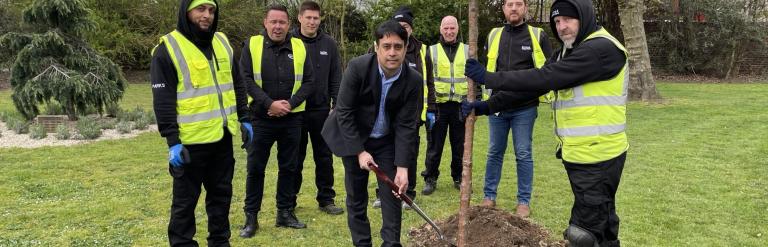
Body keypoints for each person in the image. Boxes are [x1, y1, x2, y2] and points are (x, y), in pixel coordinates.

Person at [464, 0, 628, 245]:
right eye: (557, 22)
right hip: (582, 155)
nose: (562, 27)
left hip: (598, 157)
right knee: (602, 224)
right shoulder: (568, 50)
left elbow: (544, 76)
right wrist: (489, 106)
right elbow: (537, 87)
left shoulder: (600, 49)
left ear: (585, 17)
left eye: (568, 20)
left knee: (584, 233)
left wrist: (490, 78)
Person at [150, 0, 250, 245]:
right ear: (186, 12)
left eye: (211, 10)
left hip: (222, 137)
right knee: (185, 204)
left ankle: (219, 241)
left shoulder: (222, 42)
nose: (207, 15)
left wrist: (245, 117)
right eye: (200, 10)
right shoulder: (168, 48)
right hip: (188, 144)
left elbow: (237, 83)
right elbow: (163, 101)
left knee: (221, 198)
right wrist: (172, 141)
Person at [321, 20, 421, 247]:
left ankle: (391, 243)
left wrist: (403, 168)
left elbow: (406, 125)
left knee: (393, 195)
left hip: (386, 141)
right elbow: (344, 112)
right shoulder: (357, 68)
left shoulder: (413, 80)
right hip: (354, 137)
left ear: (406, 48)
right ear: (376, 47)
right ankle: (362, 243)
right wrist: (359, 152)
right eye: (386, 46)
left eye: (398, 46)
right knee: (356, 197)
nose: (392, 53)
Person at [237, 4, 315, 238]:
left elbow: (310, 81)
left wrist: (289, 104)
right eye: (274, 22)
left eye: (282, 22)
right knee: (255, 169)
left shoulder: (299, 46)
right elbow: (245, 79)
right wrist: (269, 104)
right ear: (265, 23)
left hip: (292, 119)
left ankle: (284, 213)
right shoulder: (252, 45)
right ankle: (251, 217)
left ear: (289, 25)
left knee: (289, 167)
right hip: (261, 119)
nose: (278, 26)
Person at [476, 0, 553, 218]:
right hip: (498, 108)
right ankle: (489, 197)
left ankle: (523, 202)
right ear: (503, 8)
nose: (514, 8)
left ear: (525, 8)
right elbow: (488, 70)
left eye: (518, 4)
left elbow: (547, 73)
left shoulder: (538, 36)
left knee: (523, 153)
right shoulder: (493, 35)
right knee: (494, 152)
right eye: (509, 4)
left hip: (524, 108)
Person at [373, 5, 435, 209]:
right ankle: (382, 194)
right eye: (399, 25)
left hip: (412, 113)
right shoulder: (383, 48)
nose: (403, 28)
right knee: (382, 154)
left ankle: (408, 192)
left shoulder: (422, 50)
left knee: (408, 152)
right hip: (384, 114)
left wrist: (431, 107)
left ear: (411, 30)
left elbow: (430, 82)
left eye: (406, 26)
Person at [291, 0, 344, 216]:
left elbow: (336, 77)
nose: (312, 22)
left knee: (324, 156)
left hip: (322, 111)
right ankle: (289, 199)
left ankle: (326, 199)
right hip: (296, 111)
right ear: (300, 18)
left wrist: (336, 105)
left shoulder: (329, 44)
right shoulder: (290, 40)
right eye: (308, 17)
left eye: (316, 18)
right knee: (294, 157)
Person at [420, 15, 477, 195]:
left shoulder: (469, 50)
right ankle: (430, 178)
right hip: (438, 107)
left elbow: (476, 78)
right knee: (434, 146)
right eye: (446, 28)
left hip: (460, 107)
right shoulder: (432, 51)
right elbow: (426, 80)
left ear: (458, 29)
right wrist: (429, 106)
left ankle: (458, 177)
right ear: (440, 29)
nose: (449, 31)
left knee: (459, 146)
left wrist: (475, 102)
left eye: (452, 28)